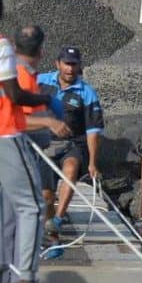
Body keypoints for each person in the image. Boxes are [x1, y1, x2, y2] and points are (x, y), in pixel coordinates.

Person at [0, 0, 58, 283]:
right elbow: (13, 94)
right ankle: (24, 280)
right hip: (6, 132)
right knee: (32, 206)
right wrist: (45, 100)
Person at [0, 25, 71, 275]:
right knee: (30, 209)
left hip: (15, 148)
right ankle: (23, 276)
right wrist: (49, 121)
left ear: (16, 47)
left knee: (7, 215)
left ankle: (4, 274)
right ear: (41, 50)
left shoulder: (21, 72)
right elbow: (18, 120)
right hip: (18, 149)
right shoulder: (21, 77)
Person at [38, 46, 104, 240]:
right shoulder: (40, 82)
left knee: (71, 168)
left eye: (74, 65)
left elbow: (93, 131)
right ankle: (52, 230)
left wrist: (92, 163)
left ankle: (58, 219)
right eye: (67, 64)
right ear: (57, 64)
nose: (70, 69)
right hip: (44, 145)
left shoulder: (87, 93)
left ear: (79, 66)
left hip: (72, 144)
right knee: (47, 197)